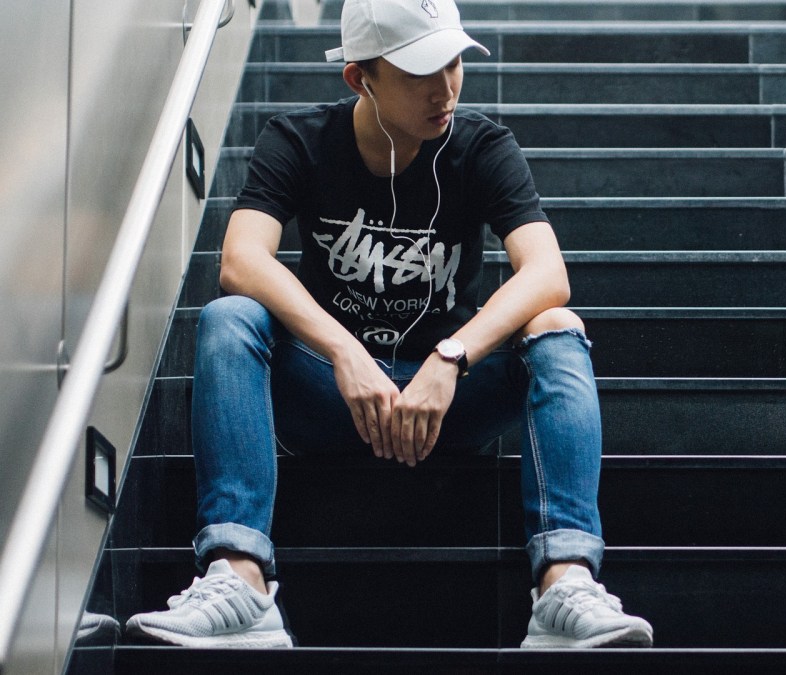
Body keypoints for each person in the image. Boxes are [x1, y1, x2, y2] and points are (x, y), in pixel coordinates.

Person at [124, 0, 653, 650]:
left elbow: (547, 273)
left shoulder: (482, 146)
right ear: (360, 77)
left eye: (454, 62)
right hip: (331, 397)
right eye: (419, 71)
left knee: (555, 325)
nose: (445, 88)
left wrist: (451, 357)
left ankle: (564, 584)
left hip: (447, 403)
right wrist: (342, 350)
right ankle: (240, 581)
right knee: (231, 316)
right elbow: (240, 260)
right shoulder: (299, 140)